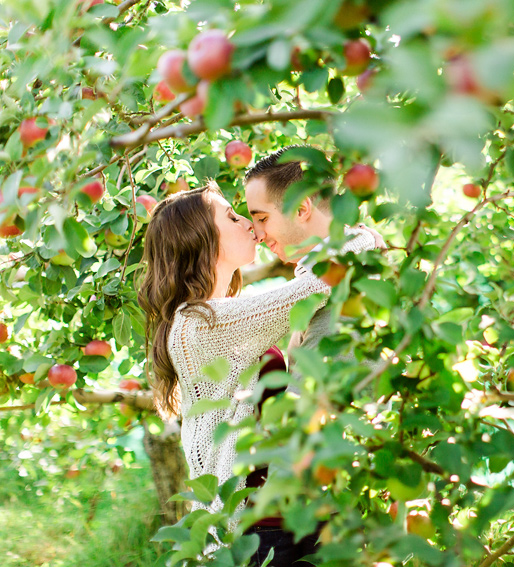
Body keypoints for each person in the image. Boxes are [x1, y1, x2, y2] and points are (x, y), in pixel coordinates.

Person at [137, 181, 377, 566]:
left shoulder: (232, 311)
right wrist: (357, 242)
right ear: (202, 238)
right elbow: (307, 292)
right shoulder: (194, 324)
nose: (249, 224)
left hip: (300, 514)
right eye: (231, 217)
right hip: (257, 532)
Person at [245, 147, 385, 386]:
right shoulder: (341, 272)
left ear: (301, 209)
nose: (257, 234)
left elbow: (306, 414)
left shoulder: (342, 299)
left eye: (263, 219)